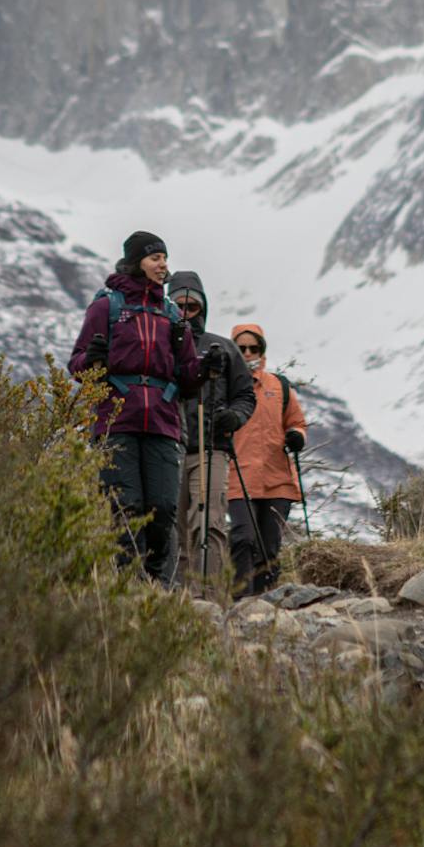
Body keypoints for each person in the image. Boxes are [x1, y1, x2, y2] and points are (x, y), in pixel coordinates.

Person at [67, 231, 203, 580]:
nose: (163, 264)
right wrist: (93, 361)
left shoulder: (173, 315)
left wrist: (204, 371)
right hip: (116, 421)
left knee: (163, 508)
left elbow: (187, 378)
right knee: (126, 507)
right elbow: (77, 365)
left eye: (164, 258)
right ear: (137, 262)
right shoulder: (106, 307)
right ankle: (130, 588)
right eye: (155, 257)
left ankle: (158, 588)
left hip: (162, 421)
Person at [166, 269, 253, 593]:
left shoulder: (223, 347)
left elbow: (246, 395)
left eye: (193, 307)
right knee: (175, 527)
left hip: (210, 447)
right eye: (179, 306)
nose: (187, 314)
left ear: (203, 307)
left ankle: (211, 598)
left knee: (208, 521)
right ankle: (181, 600)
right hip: (169, 447)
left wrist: (234, 416)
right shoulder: (160, 345)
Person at [226, 324, 307, 596]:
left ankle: (265, 603)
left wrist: (296, 436)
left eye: (254, 348)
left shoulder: (279, 386)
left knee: (269, 546)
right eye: (241, 348)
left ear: (262, 350)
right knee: (243, 538)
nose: (248, 353)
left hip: (277, 479)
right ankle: (241, 602)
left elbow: (296, 423)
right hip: (238, 476)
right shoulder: (224, 386)